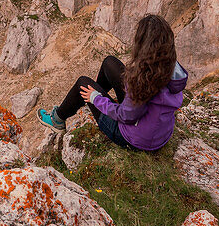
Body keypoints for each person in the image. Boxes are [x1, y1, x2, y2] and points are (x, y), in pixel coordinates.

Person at [37, 14, 188, 152]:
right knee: (110, 62)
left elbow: (126, 116)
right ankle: (94, 102)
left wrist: (96, 99)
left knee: (82, 83)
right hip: (158, 132)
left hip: (134, 138)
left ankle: (57, 119)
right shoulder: (169, 66)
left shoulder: (142, 81)